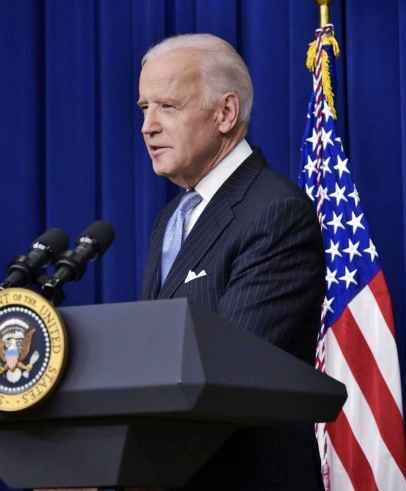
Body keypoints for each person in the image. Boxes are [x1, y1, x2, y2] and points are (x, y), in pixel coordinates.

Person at [138, 34, 325, 490]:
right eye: (144, 108)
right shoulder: (173, 216)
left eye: (167, 106)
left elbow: (230, 364)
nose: (148, 126)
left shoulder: (275, 211)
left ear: (225, 113)